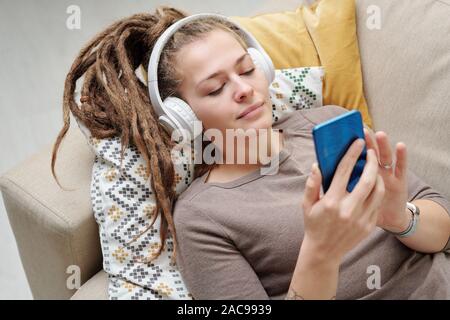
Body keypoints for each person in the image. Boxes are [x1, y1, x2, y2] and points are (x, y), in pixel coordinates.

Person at [51, 6, 450, 300]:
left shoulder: (324, 123)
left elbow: (442, 233)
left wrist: (400, 218)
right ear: (184, 117)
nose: (243, 88)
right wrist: (321, 250)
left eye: (246, 69)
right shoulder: (202, 218)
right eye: (214, 88)